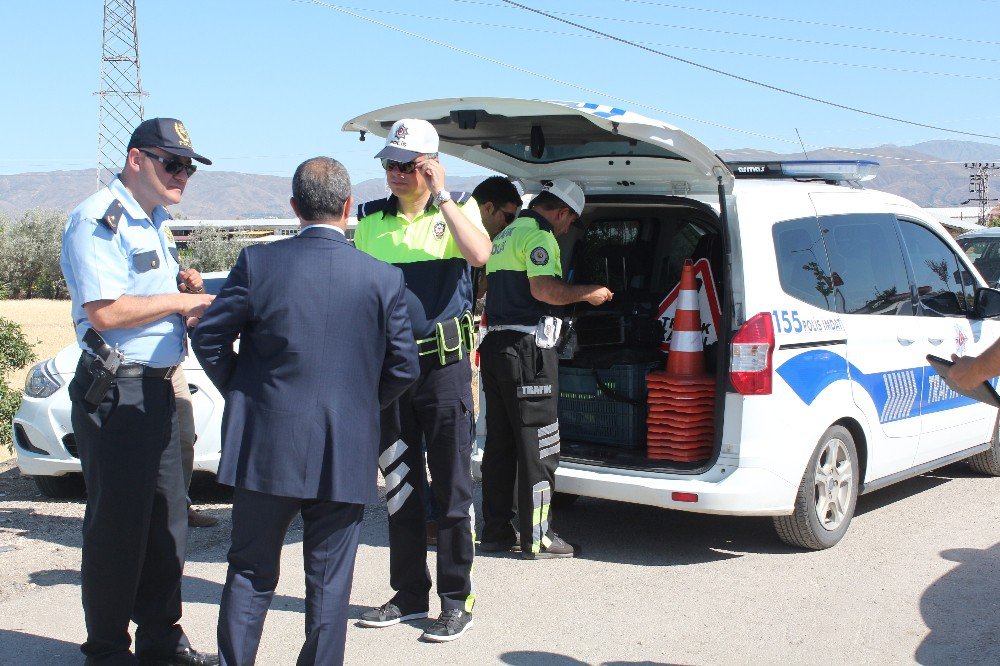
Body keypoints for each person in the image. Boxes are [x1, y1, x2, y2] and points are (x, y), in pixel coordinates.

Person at [191, 157, 419, 665]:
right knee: (330, 584)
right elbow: (404, 368)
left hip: (266, 444)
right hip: (345, 447)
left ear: (294, 208)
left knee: (250, 572)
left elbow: (208, 335)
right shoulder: (383, 278)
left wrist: (244, 392)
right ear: (347, 207)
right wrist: (361, 406)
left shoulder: (259, 263)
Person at [60, 117, 218, 665]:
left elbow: (143, 293)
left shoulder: (154, 221)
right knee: (118, 525)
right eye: (172, 164)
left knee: (167, 521)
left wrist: (183, 287)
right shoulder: (97, 220)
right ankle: (106, 648)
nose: (182, 175)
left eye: (188, 167)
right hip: (118, 389)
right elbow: (105, 311)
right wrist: (181, 304)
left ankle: (161, 637)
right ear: (136, 160)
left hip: (158, 388)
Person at [355, 118, 492, 642]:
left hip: (445, 373)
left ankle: (456, 600)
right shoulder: (369, 220)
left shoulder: (459, 210)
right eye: (388, 164)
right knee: (401, 488)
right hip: (392, 376)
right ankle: (410, 594)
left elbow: (480, 256)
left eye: (405, 165)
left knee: (453, 489)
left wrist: (443, 199)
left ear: (431, 166)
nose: (394, 173)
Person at [478, 179, 613, 559]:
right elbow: (543, 290)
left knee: (500, 446)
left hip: (495, 347)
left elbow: (486, 286)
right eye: (570, 221)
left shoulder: (504, 235)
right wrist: (589, 293)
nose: (567, 229)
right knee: (540, 443)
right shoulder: (540, 237)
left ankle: (495, 533)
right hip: (527, 352)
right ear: (563, 212)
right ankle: (537, 537)